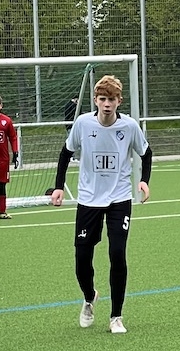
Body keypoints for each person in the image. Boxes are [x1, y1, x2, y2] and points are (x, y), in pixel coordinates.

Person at [49, 74, 152, 334]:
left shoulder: (129, 126)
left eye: (112, 99)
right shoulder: (83, 124)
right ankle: (89, 297)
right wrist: (59, 186)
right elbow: (65, 153)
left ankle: (116, 316)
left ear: (119, 101)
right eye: (103, 99)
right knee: (82, 258)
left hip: (119, 198)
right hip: (89, 199)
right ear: (95, 100)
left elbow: (146, 153)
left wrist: (144, 181)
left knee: (117, 253)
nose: (107, 104)